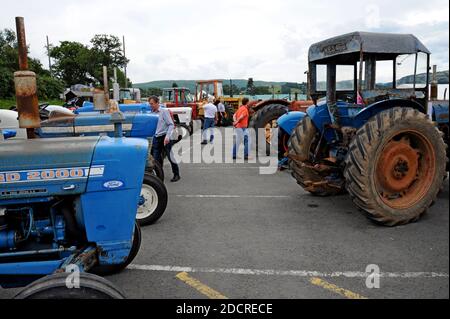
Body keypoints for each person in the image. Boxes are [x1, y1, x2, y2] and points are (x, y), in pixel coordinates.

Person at [149, 96, 181, 182]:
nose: (150, 105)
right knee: (156, 159)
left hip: (165, 136)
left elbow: (171, 124)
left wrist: (167, 137)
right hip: (156, 137)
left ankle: (176, 174)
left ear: (157, 103)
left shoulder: (164, 112)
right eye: (150, 104)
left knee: (170, 156)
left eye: (152, 104)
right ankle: (159, 176)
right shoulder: (151, 113)